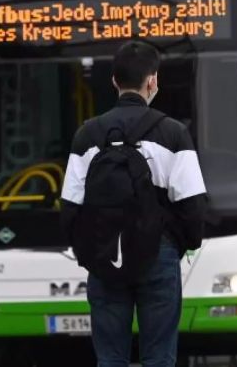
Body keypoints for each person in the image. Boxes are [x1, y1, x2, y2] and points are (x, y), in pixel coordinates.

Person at [60, 40, 208, 367]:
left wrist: (90, 255)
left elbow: (70, 207)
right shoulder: (173, 133)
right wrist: (182, 245)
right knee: (158, 357)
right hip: (159, 252)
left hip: (105, 256)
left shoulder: (87, 135)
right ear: (152, 80)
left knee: (110, 357)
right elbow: (193, 204)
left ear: (114, 81)